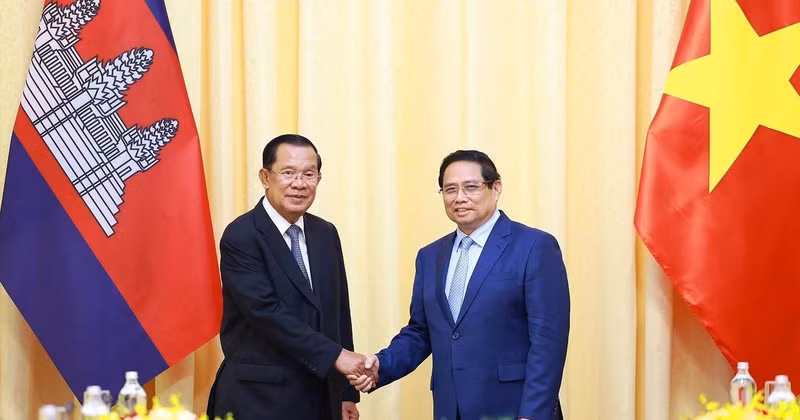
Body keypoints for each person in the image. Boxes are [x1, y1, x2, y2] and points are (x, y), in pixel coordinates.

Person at [351, 150, 570, 420]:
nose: (459, 197)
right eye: (450, 189)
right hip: (450, 408)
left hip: (514, 409)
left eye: (471, 187)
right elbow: (421, 332)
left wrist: (533, 414)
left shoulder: (534, 246)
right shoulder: (430, 256)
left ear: (496, 188)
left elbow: (548, 341)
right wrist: (381, 366)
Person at [207, 134, 367, 420]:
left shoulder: (325, 233)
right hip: (259, 399)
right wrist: (335, 356)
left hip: (320, 397)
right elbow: (266, 313)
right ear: (265, 177)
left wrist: (345, 393)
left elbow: (338, 313)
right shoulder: (241, 236)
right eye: (288, 173)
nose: (299, 183)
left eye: (309, 174)